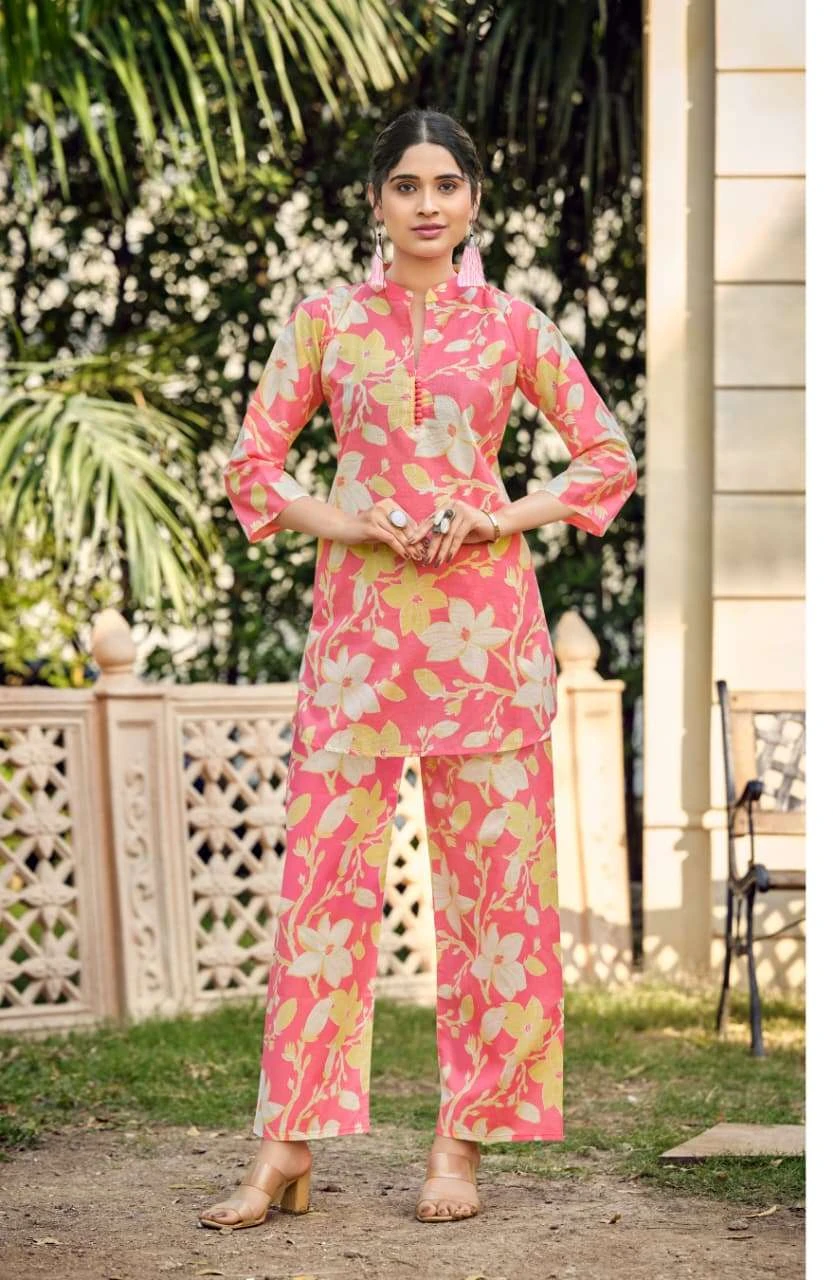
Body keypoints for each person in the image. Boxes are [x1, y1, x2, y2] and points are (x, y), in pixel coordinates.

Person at [199, 107, 637, 1230]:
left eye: (447, 185)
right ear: (377, 201)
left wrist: (498, 514)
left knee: (496, 900)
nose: (428, 203)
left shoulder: (512, 325)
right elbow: (253, 468)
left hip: (485, 642)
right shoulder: (324, 324)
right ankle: (286, 1141)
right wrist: (348, 523)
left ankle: (462, 1137)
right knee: (322, 890)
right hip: (357, 640)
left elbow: (605, 457)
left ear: (474, 200)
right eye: (407, 185)